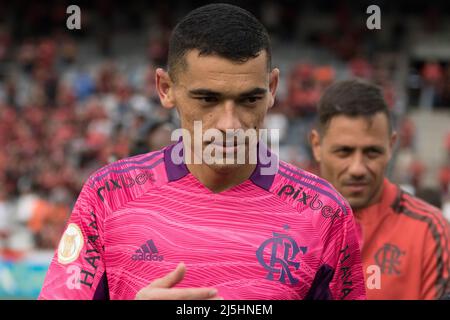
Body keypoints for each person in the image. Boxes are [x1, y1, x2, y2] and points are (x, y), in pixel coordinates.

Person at [39, 4, 365, 300]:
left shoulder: (324, 213)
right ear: (166, 89)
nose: (229, 124)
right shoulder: (108, 195)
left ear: (272, 90)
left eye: (249, 99)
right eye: (207, 99)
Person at [310, 79, 450, 299]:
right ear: (317, 146)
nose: (358, 168)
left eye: (372, 152)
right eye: (344, 152)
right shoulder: (279, 226)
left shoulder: (429, 232)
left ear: (391, 146)